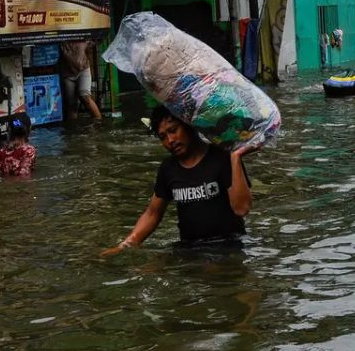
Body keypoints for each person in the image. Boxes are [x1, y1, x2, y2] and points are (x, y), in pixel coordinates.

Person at [101, 106, 256, 253]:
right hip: (189, 248)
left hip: (227, 245)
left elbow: (242, 208)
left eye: (173, 130)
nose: (170, 140)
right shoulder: (168, 169)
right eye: (163, 137)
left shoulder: (222, 157)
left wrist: (235, 157)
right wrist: (126, 245)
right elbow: (153, 213)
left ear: (188, 125)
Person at [0, 113, 37, 179]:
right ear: (29, 129)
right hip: (19, 186)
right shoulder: (29, 150)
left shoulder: (2, 151)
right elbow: (24, 174)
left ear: (10, 130)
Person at [60, 40, 103, 120]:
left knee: (85, 96)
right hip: (67, 73)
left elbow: (96, 40)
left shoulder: (82, 35)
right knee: (71, 104)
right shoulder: (62, 39)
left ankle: (98, 121)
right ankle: (73, 128)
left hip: (83, 69)